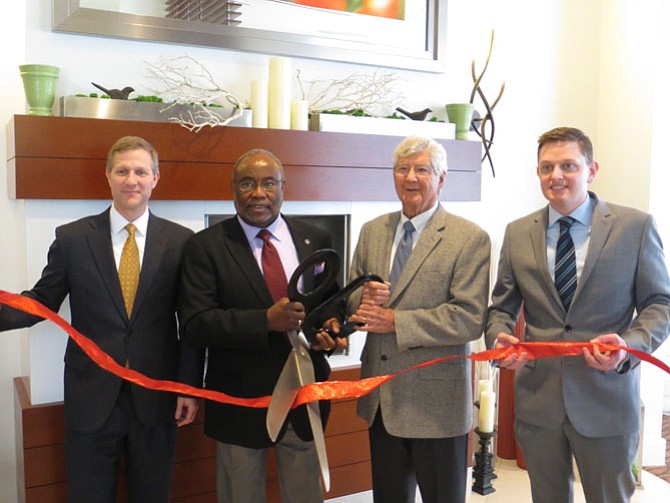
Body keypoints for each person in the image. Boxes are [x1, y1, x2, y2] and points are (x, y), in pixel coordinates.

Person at [0, 136, 203, 502]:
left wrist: (188, 385)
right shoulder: (73, 239)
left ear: (155, 178)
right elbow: (42, 301)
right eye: (122, 170)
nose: (132, 180)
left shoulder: (181, 241)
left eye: (141, 171)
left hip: (155, 399)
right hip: (91, 397)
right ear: (107, 176)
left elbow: (189, 322)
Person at [486, 126, 670, 503]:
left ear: (592, 169)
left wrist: (629, 346)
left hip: (606, 402)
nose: (556, 176)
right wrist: (498, 338)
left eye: (568, 165)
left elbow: (660, 304)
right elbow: (501, 308)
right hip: (539, 403)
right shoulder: (518, 232)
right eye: (546, 167)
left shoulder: (635, 227)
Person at [177, 148, 344, 503]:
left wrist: (331, 327)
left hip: (304, 397)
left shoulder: (317, 239)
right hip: (239, 399)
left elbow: (331, 304)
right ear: (233, 188)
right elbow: (195, 323)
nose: (258, 192)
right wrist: (264, 321)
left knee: (305, 495)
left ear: (283, 186)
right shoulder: (204, 246)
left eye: (268, 183)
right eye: (247, 183)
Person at [346, 135, 491, 503]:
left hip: (437, 406)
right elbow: (348, 300)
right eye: (402, 169)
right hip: (381, 401)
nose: (410, 177)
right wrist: (359, 300)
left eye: (422, 169)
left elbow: (468, 318)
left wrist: (395, 321)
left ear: (441, 179)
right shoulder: (371, 231)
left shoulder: (469, 238)